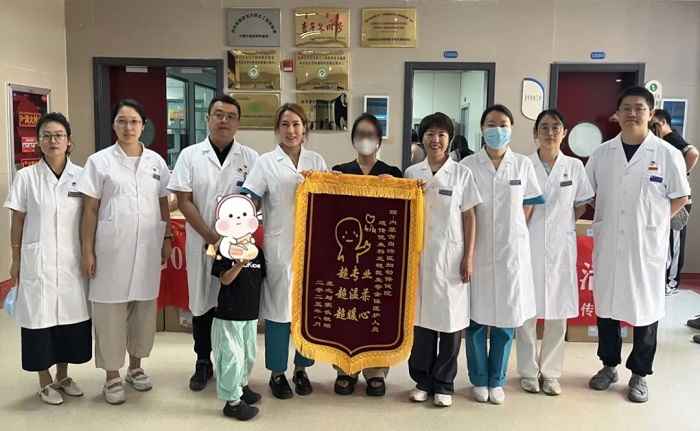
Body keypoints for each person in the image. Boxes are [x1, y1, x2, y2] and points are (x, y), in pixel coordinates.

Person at [585, 86, 690, 403]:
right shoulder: (602, 154)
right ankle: (608, 366)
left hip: (646, 247)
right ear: (617, 114)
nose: (632, 113)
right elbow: (588, 193)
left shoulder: (667, 154)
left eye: (639, 108)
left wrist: (654, 221)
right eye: (626, 108)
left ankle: (640, 374)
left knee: (646, 312)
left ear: (651, 113)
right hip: (609, 245)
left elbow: (681, 196)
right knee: (607, 309)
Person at [77, 99, 173, 405]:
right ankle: (112, 376)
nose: (128, 127)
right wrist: (88, 250)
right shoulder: (99, 162)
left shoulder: (156, 162)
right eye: (121, 121)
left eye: (133, 121)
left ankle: (136, 367)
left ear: (143, 126)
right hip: (110, 249)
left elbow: (163, 202)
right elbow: (90, 209)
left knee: (143, 310)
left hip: (147, 247)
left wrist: (167, 237)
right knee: (110, 312)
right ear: (113, 125)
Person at [168, 95, 259, 391]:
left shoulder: (251, 158)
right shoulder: (190, 156)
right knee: (201, 303)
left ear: (238, 123)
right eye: (218, 114)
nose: (224, 120)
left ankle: (231, 364)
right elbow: (184, 200)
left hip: (236, 247)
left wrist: (233, 239)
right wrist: (211, 237)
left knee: (231, 305)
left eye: (231, 116)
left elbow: (256, 201)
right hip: (202, 241)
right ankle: (202, 361)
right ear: (207, 119)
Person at [241, 103, 327, 400]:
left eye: (296, 124)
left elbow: (330, 200)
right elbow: (250, 199)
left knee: (308, 311)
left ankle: (302, 369)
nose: (291, 130)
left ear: (305, 129)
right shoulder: (266, 162)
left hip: (313, 248)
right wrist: (237, 229)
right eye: (285, 124)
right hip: (279, 246)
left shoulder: (316, 161)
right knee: (279, 312)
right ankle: (277, 373)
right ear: (277, 129)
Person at [4, 113, 91, 405]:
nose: (53, 140)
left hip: (71, 261)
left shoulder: (82, 176)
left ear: (69, 141)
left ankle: (63, 376)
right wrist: (15, 258)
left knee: (69, 322)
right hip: (37, 261)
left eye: (59, 135)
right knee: (39, 322)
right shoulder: (26, 177)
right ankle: (44, 380)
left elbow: (89, 218)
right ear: (38, 142)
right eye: (46, 136)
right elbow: (18, 220)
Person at [460, 104, 543, 405]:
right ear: (482, 129)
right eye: (492, 124)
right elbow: (464, 209)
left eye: (504, 124)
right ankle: (478, 378)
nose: (498, 129)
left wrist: (513, 229)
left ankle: (497, 380)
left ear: (512, 128)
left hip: (511, 253)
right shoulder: (468, 165)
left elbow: (529, 203)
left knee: (507, 320)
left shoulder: (522, 165)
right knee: (475, 321)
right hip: (478, 250)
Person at [515, 109, 594, 396]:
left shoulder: (574, 166)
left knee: (557, 312)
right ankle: (527, 372)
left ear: (565, 133)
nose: (550, 133)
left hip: (561, 246)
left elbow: (581, 203)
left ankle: (550, 373)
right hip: (529, 244)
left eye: (556, 127)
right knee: (526, 312)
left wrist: (563, 224)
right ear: (535, 133)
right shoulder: (523, 165)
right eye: (544, 127)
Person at [405, 113, 481, 407]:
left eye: (441, 134)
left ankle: (444, 384)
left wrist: (468, 257)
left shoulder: (462, 174)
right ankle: (422, 381)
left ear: (449, 139)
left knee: (450, 324)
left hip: (451, 259)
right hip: (420, 260)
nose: (435, 140)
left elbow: (469, 216)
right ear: (421, 137)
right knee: (421, 323)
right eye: (429, 134)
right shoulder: (412, 173)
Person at [330, 113, 401, 396]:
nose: (365, 139)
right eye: (360, 134)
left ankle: (376, 371)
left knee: (377, 313)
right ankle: (345, 369)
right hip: (348, 260)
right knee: (347, 311)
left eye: (371, 134)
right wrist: (330, 185)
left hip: (379, 256)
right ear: (353, 139)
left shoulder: (393, 173)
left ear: (379, 139)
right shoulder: (340, 171)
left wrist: (394, 187)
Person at [210, 242, 266, 421]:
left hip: (250, 314)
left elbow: (260, 280)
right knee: (232, 358)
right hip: (230, 315)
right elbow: (225, 279)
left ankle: (242, 387)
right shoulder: (224, 249)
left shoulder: (257, 252)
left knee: (249, 355)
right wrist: (240, 263)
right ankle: (232, 402)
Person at [649, 109, 698, 296]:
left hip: (679, 201)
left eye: (653, 123)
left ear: (662, 122)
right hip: (667, 200)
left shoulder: (671, 138)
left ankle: (672, 282)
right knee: (666, 243)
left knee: (674, 244)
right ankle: (664, 281)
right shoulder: (660, 142)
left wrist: (682, 176)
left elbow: (693, 153)